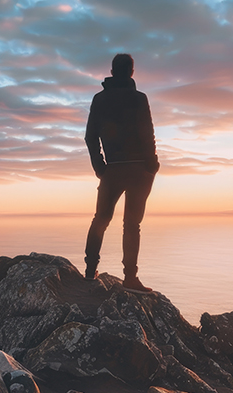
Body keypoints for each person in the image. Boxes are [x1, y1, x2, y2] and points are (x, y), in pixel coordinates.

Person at [83, 53, 159, 294]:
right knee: (132, 225)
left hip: (113, 169)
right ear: (131, 72)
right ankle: (130, 278)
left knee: (101, 219)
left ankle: (89, 272)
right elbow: (147, 133)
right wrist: (152, 164)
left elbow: (90, 136)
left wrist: (100, 168)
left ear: (112, 72)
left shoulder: (99, 99)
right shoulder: (139, 98)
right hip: (138, 169)